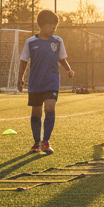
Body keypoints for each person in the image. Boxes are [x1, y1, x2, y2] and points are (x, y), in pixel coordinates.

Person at [17, 9, 74, 154]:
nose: (53, 28)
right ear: (41, 25)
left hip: (51, 81)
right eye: (50, 25)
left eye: (55, 25)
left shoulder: (57, 41)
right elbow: (23, 61)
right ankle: (36, 142)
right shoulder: (31, 42)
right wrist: (20, 78)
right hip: (36, 83)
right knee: (36, 111)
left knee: (50, 107)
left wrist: (68, 69)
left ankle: (46, 142)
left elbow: (62, 58)